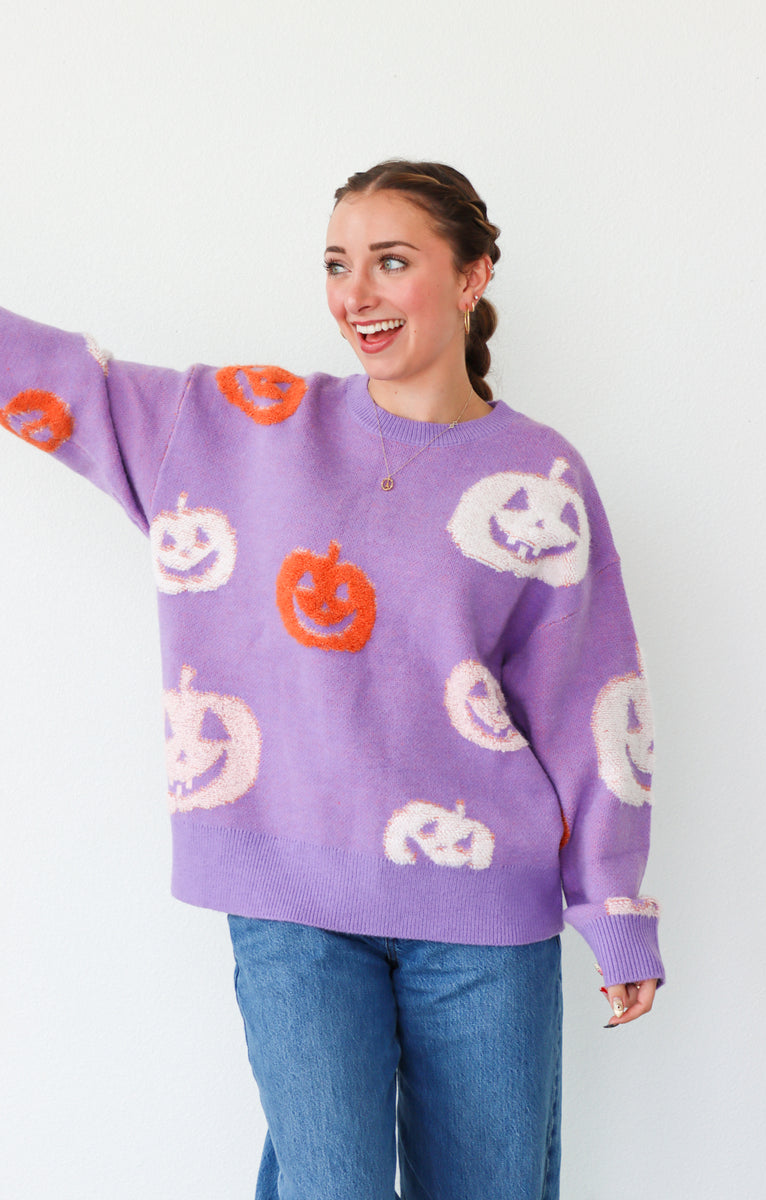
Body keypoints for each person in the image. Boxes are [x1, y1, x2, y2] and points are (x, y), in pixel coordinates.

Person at [0, 159, 663, 1200]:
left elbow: (589, 705)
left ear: (470, 276)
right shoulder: (238, 425)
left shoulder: (540, 478)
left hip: (484, 910)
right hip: (291, 899)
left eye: (390, 262)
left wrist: (613, 904)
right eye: (336, 264)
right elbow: (63, 384)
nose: (354, 294)